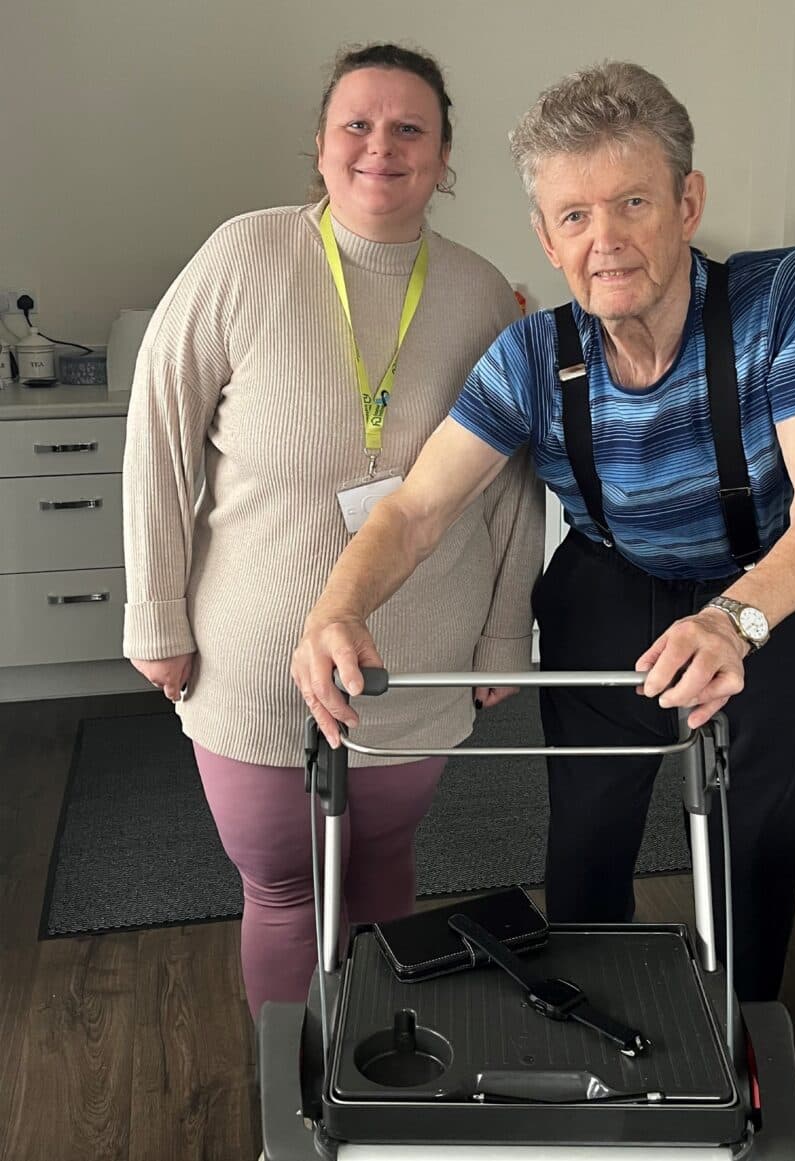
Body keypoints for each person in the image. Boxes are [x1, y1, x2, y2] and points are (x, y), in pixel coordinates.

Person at [291, 61, 795, 1003]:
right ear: (545, 236)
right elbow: (416, 507)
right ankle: (592, 1035)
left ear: (687, 203)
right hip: (611, 584)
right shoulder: (532, 355)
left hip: (768, 588)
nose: (604, 242)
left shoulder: (781, 301)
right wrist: (338, 605)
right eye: (573, 216)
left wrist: (734, 622)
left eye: (631, 202)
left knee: (752, 831)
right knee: (590, 836)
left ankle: (745, 1036)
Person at [122, 43, 543, 1021]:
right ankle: (292, 1095)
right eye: (356, 123)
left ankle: (373, 1068)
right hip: (257, 655)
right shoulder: (244, 254)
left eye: (409, 129)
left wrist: (502, 631)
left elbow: (514, 479)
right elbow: (158, 431)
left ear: (444, 158)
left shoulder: (484, 293)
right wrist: (156, 613)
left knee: (386, 864)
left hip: (422, 653)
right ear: (317, 144)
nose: (379, 148)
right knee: (279, 886)